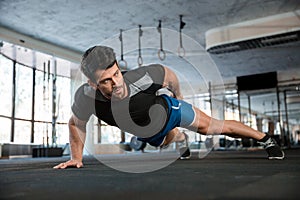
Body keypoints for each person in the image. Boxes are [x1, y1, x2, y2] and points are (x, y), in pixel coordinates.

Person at [53, 46, 284, 169]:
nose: (116, 83)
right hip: (148, 131)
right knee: (165, 140)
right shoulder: (86, 98)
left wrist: (179, 95)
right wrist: (76, 157)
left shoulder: (141, 77)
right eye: (106, 81)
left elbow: (168, 74)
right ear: (92, 84)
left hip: (170, 109)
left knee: (211, 128)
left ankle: (266, 139)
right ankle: (180, 139)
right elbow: (76, 123)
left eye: (116, 74)